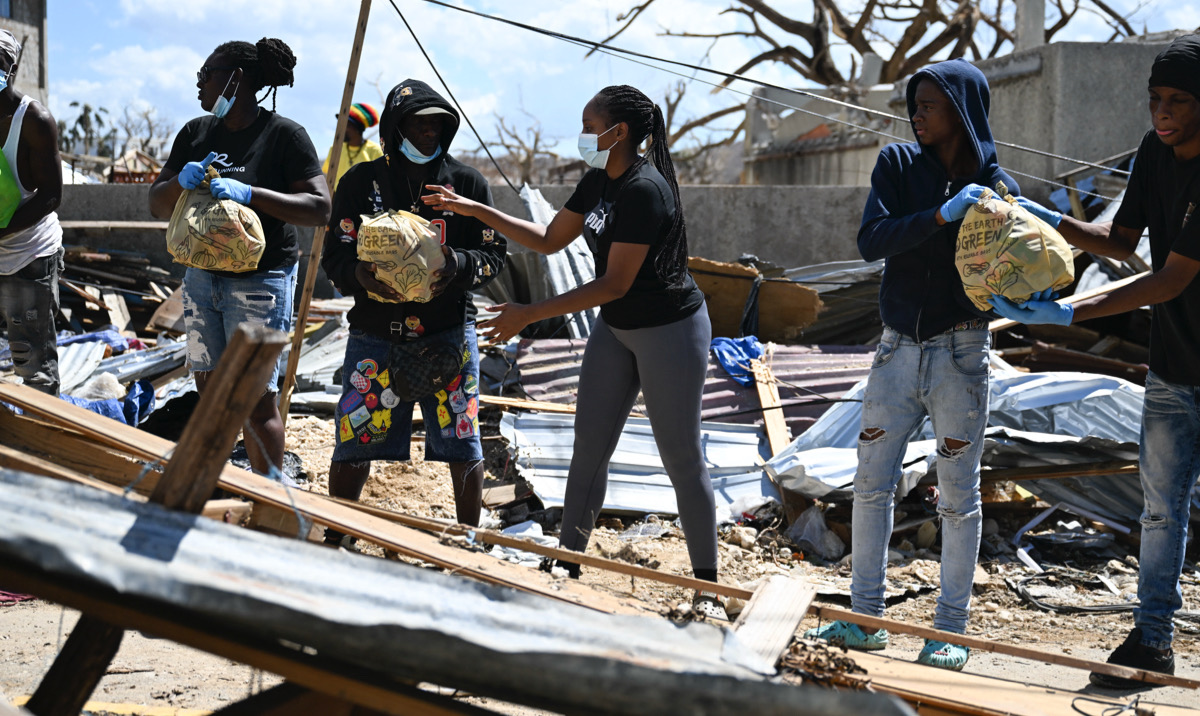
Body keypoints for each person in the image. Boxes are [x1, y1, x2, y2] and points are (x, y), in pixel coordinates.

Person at [424, 85, 724, 615]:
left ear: (620, 132)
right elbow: (545, 239)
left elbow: (613, 283)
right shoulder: (596, 181)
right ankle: (568, 564)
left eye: (590, 125)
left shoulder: (644, 190)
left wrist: (526, 314)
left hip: (669, 331)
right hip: (617, 329)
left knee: (682, 458)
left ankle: (709, 588)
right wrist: (473, 206)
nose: (583, 136)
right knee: (589, 447)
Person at [989, 34, 1200, 689]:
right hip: (1174, 365)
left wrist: (1065, 314)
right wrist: (1032, 213)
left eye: (1179, 101)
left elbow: (1169, 278)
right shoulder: (1152, 153)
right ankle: (1153, 642)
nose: (1162, 112)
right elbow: (1119, 241)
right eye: (1155, 98)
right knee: (1161, 509)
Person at [804, 59, 1019, 670]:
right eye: (915, 103)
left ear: (963, 109)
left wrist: (1027, 285)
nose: (918, 114)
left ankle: (950, 631)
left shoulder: (998, 187)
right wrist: (938, 218)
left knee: (958, 495)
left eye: (931, 104)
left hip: (962, 352)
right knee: (870, 487)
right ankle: (865, 620)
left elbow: (1021, 263)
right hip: (897, 349)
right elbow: (872, 240)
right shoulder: (897, 165)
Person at [320, 79, 506, 533]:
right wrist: (356, 275)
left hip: (448, 334)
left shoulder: (465, 184)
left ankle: (469, 539)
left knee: (462, 439)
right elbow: (335, 253)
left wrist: (458, 265)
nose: (428, 135)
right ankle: (337, 534)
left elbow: (494, 254)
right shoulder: (362, 183)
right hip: (375, 332)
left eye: (437, 127)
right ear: (395, 128)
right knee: (355, 438)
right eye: (418, 126)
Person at [149, 38, 330, 475]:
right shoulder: (196, 133)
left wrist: (252, 194)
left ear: (236, 79)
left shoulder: (283, 136)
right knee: (210, 393)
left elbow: (321, 208)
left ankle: (269, 498)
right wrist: (181, 183)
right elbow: (156, 202)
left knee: (254, 401)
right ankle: (211, 484)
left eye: (206, 75)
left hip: (259, 282)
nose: (199, 85)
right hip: (200, 280)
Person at [0, 30, 64, 396]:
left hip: (29, 255)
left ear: (11, 70)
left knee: (33, 362)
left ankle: (44, 444)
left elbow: (51, 196)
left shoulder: (34, 120)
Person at [322, 102, 382, 189]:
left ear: (358, 128)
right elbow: (328, 177)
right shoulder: (335, 149)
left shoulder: (375, 151)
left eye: (347, 125)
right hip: (336, 200)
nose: (342, 129)